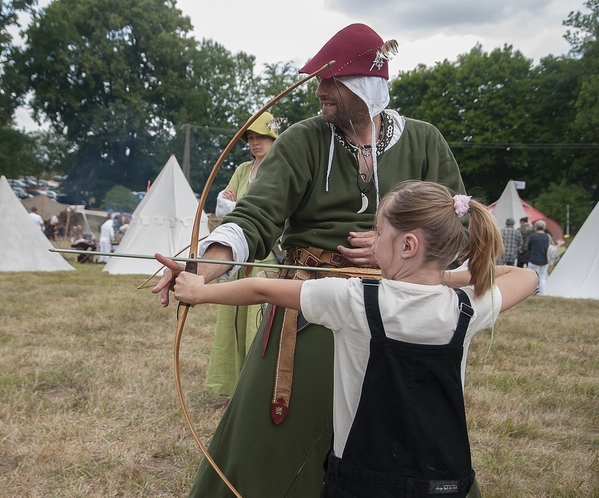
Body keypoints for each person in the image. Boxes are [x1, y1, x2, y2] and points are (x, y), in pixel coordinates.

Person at [153, 23, 467, 497]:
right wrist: (201, 269)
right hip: (309, 308)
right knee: (267, 446)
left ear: (364, 87)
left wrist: (399, 251)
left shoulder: (424, 143)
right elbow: (254, 219)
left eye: (331, 82)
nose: (320, 90)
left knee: (410, 444)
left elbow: (455, 225)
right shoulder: (303, 140)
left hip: (400, 310)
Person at [161, 181, 537, 497]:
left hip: (360, 479)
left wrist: (199, 290)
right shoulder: (464, 310)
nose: (374, 245)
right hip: (442, 479)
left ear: (407, 246)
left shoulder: (353, 299)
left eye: (380, 234)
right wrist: (447, 277)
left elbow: (263, 288)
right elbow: (525, 278)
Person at [206, 111, 281, 398]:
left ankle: (257, 391)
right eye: (250, 137)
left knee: (258, 323)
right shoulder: (241, 169)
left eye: (261, 136)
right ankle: (234, 387)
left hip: (266, 256)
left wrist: (241, 206)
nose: (255, 143)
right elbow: (222, 205)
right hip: (238, 253)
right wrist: (242, 208)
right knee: (232, 320)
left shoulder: (280, 169)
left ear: (273, 138)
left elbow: (274, 214)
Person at [527, 220, 551, 294]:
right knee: (542, 276)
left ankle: (530, 291)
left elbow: (529, 247)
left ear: (536, 227)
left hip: (533, 258)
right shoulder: (547, 237)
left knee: (531, 276)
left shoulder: (532, 236)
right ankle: (542, 293)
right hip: (544, 259)